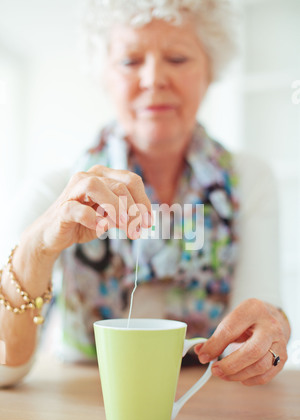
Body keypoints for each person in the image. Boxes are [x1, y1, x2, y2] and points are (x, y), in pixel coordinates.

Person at [0, 0, 290, 388]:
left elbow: (260, 320)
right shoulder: (53, 193)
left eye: (177, 57)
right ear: (104, 75)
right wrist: (36, 248)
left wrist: (275, 327)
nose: (154, 78)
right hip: (83, 404)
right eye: (131, 61)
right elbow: (6, 369)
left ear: (210, 71)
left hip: (206, 402)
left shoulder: (249, 180)